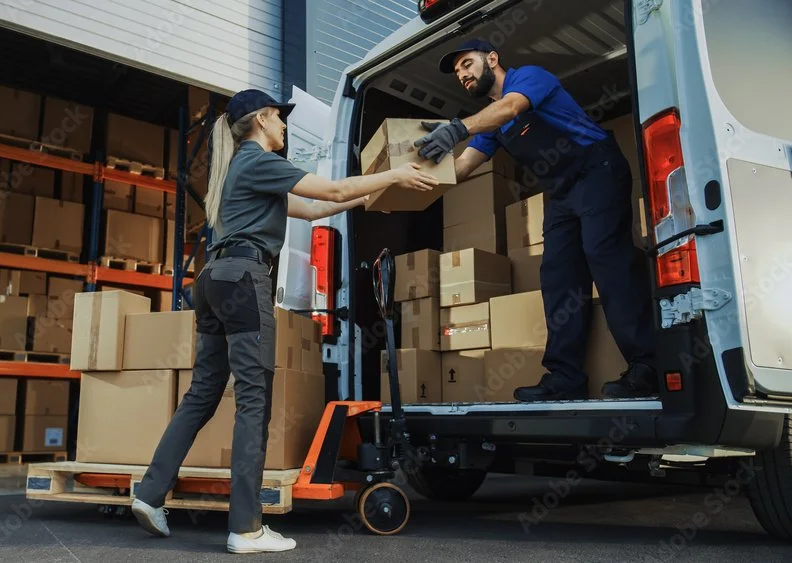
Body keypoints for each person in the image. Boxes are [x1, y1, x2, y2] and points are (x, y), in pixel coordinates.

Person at [130, 89, 438, 553]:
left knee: (203, 393)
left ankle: (150, 494)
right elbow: (330, 188)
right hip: (243, 281)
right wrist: (395, 172)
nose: (285, 128)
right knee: (254, 400)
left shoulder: (242, 171)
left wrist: (372, 192)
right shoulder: (257, 159)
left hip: (214, 279)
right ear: (261, 119)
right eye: (280, 119)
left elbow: (316, 208)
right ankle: (246, 528)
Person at [416, 39, 658, 402]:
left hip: (597, 170)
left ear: (492, 59)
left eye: (467, 64)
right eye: (457, 73)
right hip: (561, 191)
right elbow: (463, 166)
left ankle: (647, 367)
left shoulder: (527, 79)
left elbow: (512, 108)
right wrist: (408, 185)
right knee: (559, 276)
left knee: (606, 259)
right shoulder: (490, 121)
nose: (463, 74)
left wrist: (456, 129)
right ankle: (566, 377)